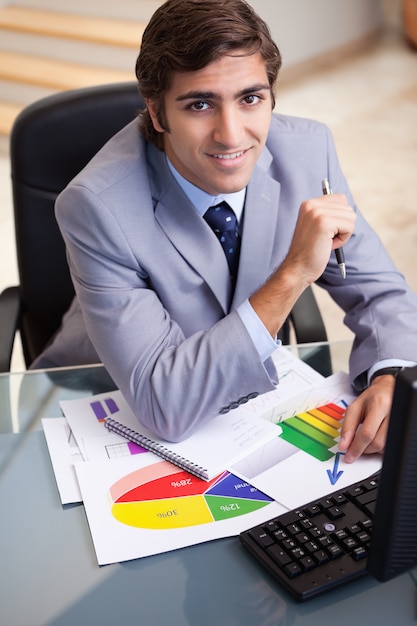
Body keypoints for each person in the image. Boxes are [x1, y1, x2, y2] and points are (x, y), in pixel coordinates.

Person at [33, 0, 417, 464]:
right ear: (157, 114)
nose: (232, 135)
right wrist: (293, 274)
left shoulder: (308, 151)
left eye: (250, 98)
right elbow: (163, 406)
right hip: (100, 401)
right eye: (200, 104)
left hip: (240, 410)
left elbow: (380, 293)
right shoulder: (97, 206)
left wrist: (392, 375)